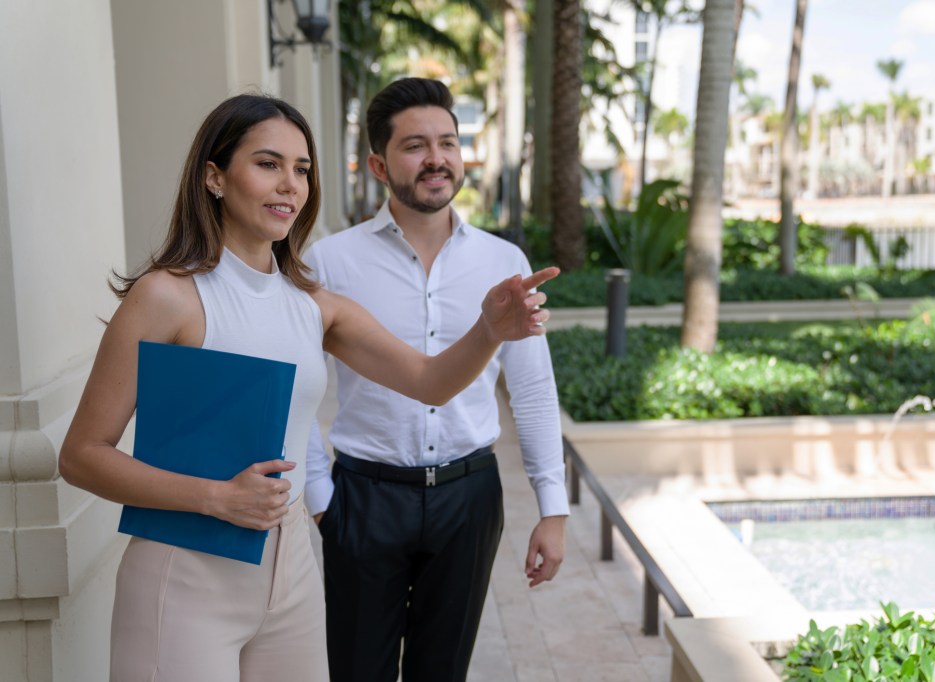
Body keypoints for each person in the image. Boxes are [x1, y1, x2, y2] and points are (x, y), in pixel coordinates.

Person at [56, 92, 557, 682]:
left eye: (301, 169)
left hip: (288, 567)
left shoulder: (313, 305)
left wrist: (488, 330)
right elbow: (81, 456)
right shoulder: (167, 296)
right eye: (268, 164)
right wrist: (215, 497)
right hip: (186, 570)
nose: (289, 185)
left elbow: (428, 382)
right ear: (214, 177)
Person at [305, 77, 570, 682]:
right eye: (415, 145)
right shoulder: (329, 262)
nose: (436, 158)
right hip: (365, 499)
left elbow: (530, 389)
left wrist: (552, 508)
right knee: (356, 669)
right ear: (378, 163)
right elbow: (295, 393)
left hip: (468, 499)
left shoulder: (504, 262)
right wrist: (322, 499)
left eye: (447, 142)